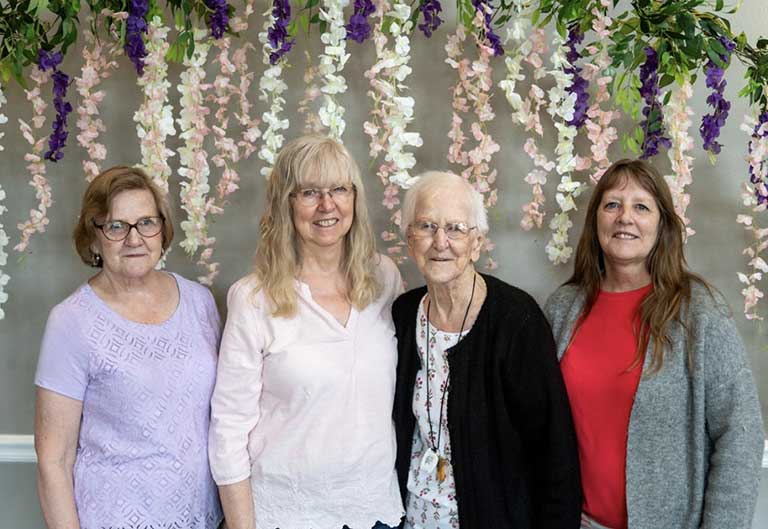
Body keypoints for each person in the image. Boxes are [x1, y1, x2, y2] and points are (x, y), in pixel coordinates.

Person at [544, 159, 765, 529]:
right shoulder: (563, 309)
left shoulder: (699, 311)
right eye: (612, 204)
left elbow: (741, 434)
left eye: (641, 206)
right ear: (596, 219)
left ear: (662, 224)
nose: (624, 217)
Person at [208, 135, 404, 529]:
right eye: (309, 192)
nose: (326, 205)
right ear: (286, 204)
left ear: (354, 199)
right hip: (285, 514)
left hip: (376, 510)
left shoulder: (384, 278)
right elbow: (229, 426)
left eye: (338, 190)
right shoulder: (253, 299)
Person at [34, 166, 222, 529]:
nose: (134, 239)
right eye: (117, 226)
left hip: (203, 518)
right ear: (94, 237)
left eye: (146, 223)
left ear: (162, 230)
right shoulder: (71, 321)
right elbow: (52, 458)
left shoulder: (200, 302)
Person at [391, 171, 582, 529]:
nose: (440, 241)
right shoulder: (402, 316)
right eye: (427, 226)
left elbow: (554, 455)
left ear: (477, 243)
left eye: (456, 229)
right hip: (411, 518)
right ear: (409, 239)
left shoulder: (516, 320)